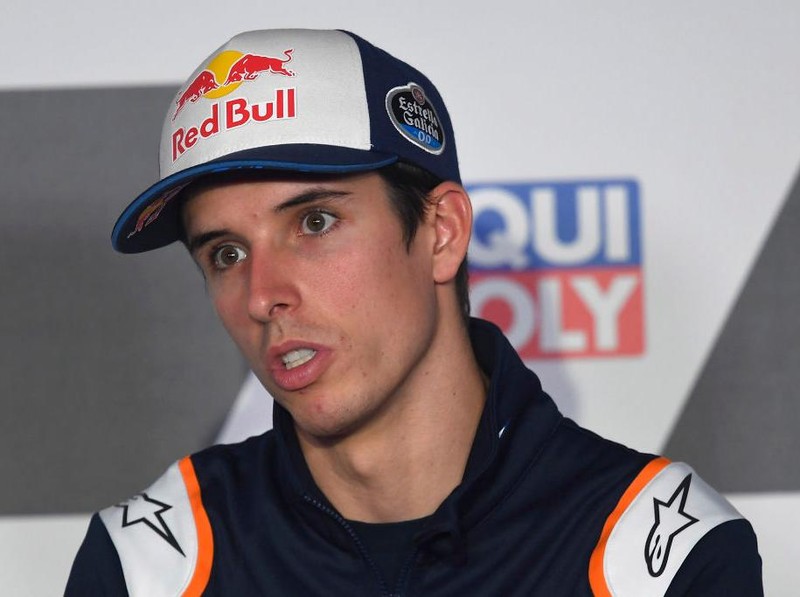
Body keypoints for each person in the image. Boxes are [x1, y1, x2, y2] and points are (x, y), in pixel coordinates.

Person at [66, 29, 762, 596]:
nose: (260, 294)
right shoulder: (149, 565)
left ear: (443, 233)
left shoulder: (661, 556)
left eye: (313, 222)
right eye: (224, 253)